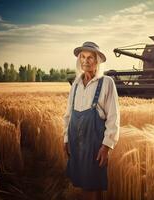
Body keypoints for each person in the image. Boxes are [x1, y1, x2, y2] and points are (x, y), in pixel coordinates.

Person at [63, 41, 120, 200]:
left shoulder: (107, 83)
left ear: (97, 61)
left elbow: (113, 117)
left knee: (93, 185)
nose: (86, 61)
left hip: (95, 142)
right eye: (83, 57)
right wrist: (66, 139)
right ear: (79, 60)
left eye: (90, 58)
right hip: (75, 139)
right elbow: (68, 114)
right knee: (81, 182)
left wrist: (106, 146)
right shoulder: (75, 84)